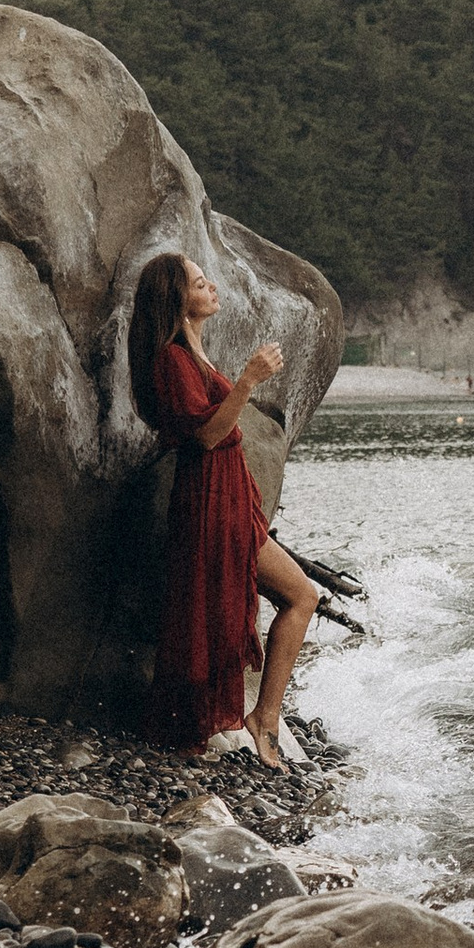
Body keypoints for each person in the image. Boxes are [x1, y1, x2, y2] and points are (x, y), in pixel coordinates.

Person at [129, 247, 321, 767]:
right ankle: (258, 718)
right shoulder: (172, 359)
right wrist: (249, 380)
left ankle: (263, 716)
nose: (211, 287)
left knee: (283, 599)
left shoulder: (193, 353)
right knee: (295, 597)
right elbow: (208, 436)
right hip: (209, 498)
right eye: (198, 283)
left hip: (226, 497)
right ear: (176, 300)